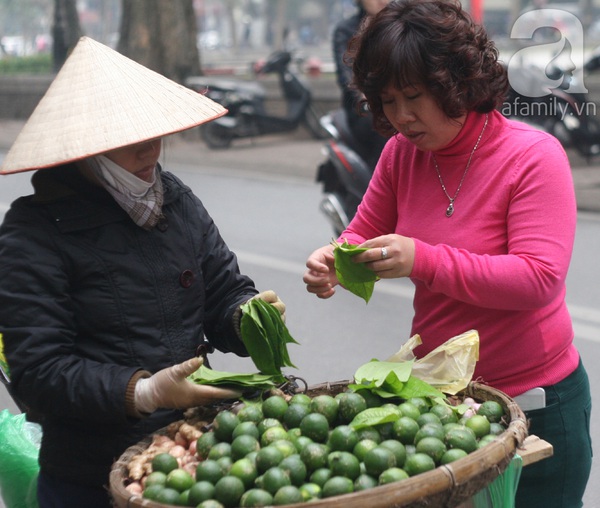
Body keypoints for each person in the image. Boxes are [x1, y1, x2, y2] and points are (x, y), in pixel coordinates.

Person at [303, 1, 592, 506]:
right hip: (446, 404)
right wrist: (334, 260)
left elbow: (538, 279)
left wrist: (424, 259)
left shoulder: (533, 157)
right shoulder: (401, 154)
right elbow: (361, 234)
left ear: (457, 83)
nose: (401, 117)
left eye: (414, 97)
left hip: (539, 401)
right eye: (387, 101)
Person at [0, 36, 285, 507]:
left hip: (190, 453)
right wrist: (146, 391)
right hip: (88, 476)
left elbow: (222, 293)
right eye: (127, 137)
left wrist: (247, 317)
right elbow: (39, 372)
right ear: (86, 147)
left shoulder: (175, 198)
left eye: (153, 131)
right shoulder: (33, 233)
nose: (149, 148)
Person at [332, 0, 390, 170]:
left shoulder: (400, 26)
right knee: (382, 128)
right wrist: (364, 96)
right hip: (364, 110)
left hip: (394, 101)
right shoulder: (346, 30)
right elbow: (346, 74)